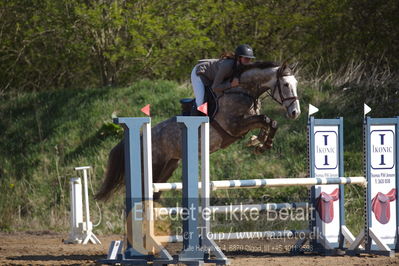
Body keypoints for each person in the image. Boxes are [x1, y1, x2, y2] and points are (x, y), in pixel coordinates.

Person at [191, 44, 255, 109]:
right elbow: (215, 87)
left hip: (211, 76)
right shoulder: (227, 66)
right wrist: (231, 85)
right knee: (201, 102)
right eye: (246, 59)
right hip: (200, 72)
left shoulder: (241, 67)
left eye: (250, 59)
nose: (248, 61)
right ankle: (193, 116)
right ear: (239, 58)